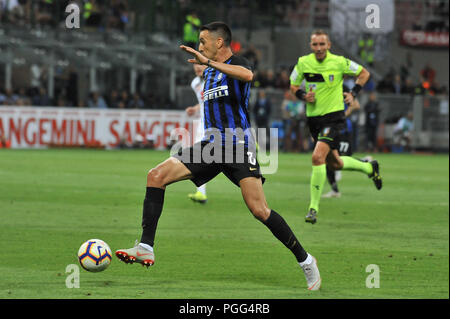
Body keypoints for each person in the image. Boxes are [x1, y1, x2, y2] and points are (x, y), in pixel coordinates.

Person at [115, 22, 321, 291]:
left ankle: (306, 261)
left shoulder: (238, 63)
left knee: (259, 210)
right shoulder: (208, 74)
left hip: (238, 145)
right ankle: (145, 246)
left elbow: (247, 76)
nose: (200, 47)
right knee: (155, 176)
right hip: (211, 146)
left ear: (219, 43)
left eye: (203, 41)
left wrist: (209, 64)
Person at [289, 29, 382, 224]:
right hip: (314, 120)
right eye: (315, 44)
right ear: (311, 46)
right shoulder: (303, 62)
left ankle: (313, 208)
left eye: (322, 44)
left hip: (333, 118)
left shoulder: (339, 62)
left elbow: (364, 73)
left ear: (329, 45)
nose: (319, 48)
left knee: (317, 157)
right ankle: (368, 168)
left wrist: (353, 93)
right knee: (335, 163)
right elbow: (294, 86)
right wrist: (303, 96)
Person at [322, 85, 361, 198]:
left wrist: (342, 116)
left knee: (344, 159)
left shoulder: (344, 89)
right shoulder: (328, 90)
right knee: (327, 159)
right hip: (332, 130)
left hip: (343, 131)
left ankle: (366, 163)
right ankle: (335, 190)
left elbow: (356, 105)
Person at [185, 63, 208, 204]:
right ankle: (201, 192)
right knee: (199, 157)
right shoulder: (195, 83)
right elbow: (204, 101)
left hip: (217, 123)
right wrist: (195, 108)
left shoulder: (215, 79)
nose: (197, 67)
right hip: (203, 123)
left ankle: (246, 141)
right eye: (194, 64)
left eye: (199, 63)